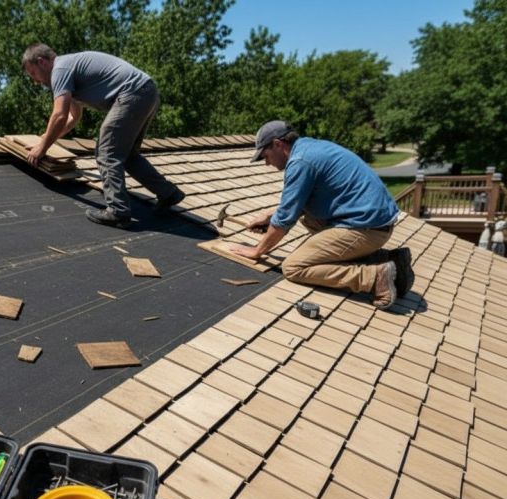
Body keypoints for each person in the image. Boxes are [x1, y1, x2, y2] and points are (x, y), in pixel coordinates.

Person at [229, 120, 414, 310]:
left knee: (293, 267)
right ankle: (387, 259)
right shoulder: (308, 148)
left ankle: (374, 278)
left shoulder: (300, 162)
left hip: (366, 228)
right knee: (308, 216)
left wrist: (257, 251)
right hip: (375, 224)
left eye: (265, 156)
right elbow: (293, 206)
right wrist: (268, 217)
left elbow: (284, 220)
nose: (266, 163)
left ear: (278, 144)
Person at [21, 43, 185, 229]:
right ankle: (169, 193)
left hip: (132, 93)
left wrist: (41, 148)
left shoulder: (60, 69)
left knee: (106, 152)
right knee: (128, 155)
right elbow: (73, 117)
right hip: (145, 91)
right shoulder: (68, 69)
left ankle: (118, 211)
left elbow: (59, 115)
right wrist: (45, 140)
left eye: (33, 74)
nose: (36, 81)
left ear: (41, 62)